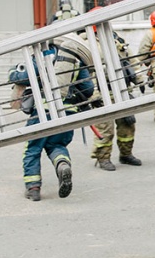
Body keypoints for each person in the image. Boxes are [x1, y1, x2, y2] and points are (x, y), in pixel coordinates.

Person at [8, 54, 93, 202]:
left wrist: (12, 71)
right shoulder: (74, 58)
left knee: (32, 149)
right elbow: (88, 89)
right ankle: (62, 164)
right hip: (68, 112)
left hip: (43, 112)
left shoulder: (41, 54)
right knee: (57, 145)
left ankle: (33, 188)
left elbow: (22, 77)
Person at [87, 19, 142, 170]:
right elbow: (89, 74)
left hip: (123, 90)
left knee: (128, 124)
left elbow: (132, 62)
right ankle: (103, 157)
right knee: (105, 128)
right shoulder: (89, 46)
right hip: (103, 93)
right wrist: (93, 96)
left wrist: (140, 79)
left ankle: (126, 154)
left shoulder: (118, 41)